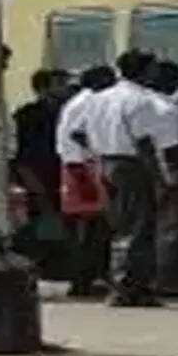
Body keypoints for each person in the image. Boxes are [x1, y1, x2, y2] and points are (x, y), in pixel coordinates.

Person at [87, 50, 178, 307]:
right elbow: (144, 142)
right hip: (132, 165)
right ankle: (131, 287)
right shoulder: (141, 101)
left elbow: (83, 133)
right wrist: (161, 176)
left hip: (104, 161)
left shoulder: (100, 98)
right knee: (139, 226)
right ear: (144, 70)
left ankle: (121, 282)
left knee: (119, 225)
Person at [56, 65, 115, 298]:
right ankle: (83, 278)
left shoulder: (80, 101)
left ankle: (88, 275)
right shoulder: (88, 101)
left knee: (91, 225)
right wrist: (99, 148)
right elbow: (77, 133)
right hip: (81, 167)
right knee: (90, 225)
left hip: (78, 165)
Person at [12, 69, 71, 271]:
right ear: (43, 88)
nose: (66, 89)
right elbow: (21, 154)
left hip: (64, 174)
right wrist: (30, 180)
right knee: (40, 219)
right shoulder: (28, 116)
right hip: (38, 175)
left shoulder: (68, 113)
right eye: (59, 84)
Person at [147, 59, 178, 296]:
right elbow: (172, 147)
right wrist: (174, 174)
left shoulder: (160, 104)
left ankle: (166, 278)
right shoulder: (174, 107)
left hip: (155, 170)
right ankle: (171, 280)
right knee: (172, 227)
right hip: (170, 172)